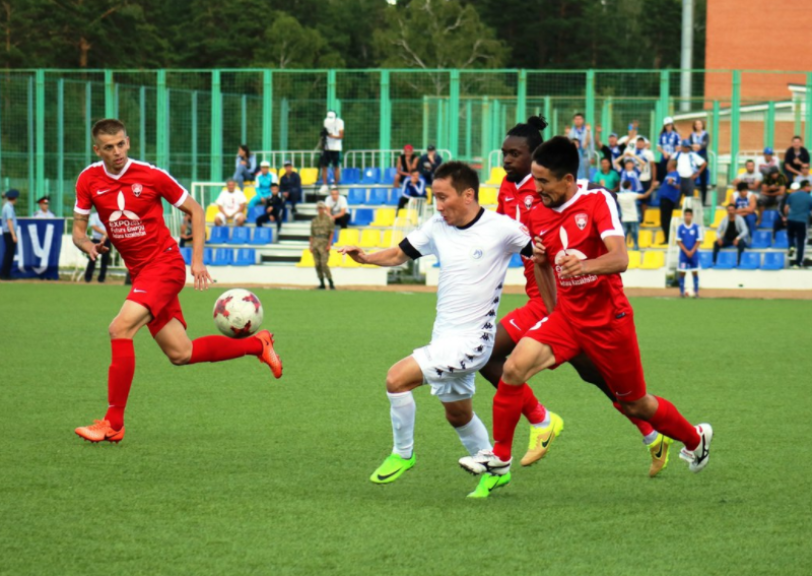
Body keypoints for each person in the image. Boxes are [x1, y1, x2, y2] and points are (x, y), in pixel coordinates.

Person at [458, 136, 713, 485]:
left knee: (636, 404)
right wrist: (544, 267)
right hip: (567, 318)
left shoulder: (596, 201)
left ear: (567, 180)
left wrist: (586, 266)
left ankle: (695, 439)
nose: (537, 188)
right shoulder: (537, 212)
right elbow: (545, 273)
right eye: (535, 179)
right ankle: (500, 457)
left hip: (610, 322)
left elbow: (620, 258)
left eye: (544, 181)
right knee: (514, 368)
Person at [72, 118, 282, 444]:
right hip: (141, 274)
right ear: (96, 149)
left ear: (128, 142)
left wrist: (196, 261)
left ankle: (113, 422)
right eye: (109, 147)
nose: (117, 152)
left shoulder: (151, 175)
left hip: (165, 266)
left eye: (121, 144)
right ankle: (259, 344)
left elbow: (196, 211)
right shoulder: (88, 179)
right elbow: (78, 231)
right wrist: (87, 244)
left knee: (119, 328)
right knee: (180, 352)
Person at [486, 117, 671, 484]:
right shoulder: (509, 192)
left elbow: (597, 235)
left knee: (487, 353)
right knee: (595, 377)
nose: (507, 160)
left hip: (553, 300)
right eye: (505, 153)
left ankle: (542, 421)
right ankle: (650, 433)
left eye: (515, 154)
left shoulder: (553, 192)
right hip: (542, 295)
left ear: (535, 156)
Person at [339, 161, 536, 498]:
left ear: (468, 195)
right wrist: (367, 257)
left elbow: (541, 254)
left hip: (473, 343)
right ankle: (495, 472)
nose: (438, 205)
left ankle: (403, 454)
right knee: (458, 414)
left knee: (396, 379)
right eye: (435, 197)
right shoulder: (436, 226)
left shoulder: (502, 229)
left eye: (443, 197)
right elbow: (400, 254)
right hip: (444, 337)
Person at [617, 180, 653, 249]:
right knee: (635, 236)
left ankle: (623, 249)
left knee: (624, 235)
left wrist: (602, 185)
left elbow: (608, 194)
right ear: (630, 186)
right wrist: (652, 188)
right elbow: (645, 196)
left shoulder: (619, 195)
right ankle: (636, 248)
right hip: (633, 218)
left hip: (625, 219)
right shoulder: (633, 194)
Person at [784, 179, 812, 269]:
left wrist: (786, 216)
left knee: (790, 235)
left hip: (791, 219)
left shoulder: (792, 195)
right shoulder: (809, 198)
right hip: (802, 221)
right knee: (801, 243)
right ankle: (798, 262)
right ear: (806, 187)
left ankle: (791, 246)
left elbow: (786, 208)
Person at [676, 208, 703, 298]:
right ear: (684, 216)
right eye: (686, 215)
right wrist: (686, 251)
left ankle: (696, 292)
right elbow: (679, 241)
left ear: (692, 216)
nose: (687, 217)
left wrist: (692, 251)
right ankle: (681, 292)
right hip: (684, 255)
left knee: (694, 272)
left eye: (689, 215)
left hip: (693, 254)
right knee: (682, 272)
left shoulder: (696, 227)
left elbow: (698, 241)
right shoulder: (680, 228)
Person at [310, 201, 335, 290]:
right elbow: (312, 234)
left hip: (324, 242)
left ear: (324, 209)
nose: (320, 210)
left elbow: (331, 232)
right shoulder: (314, 220)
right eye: (318, 208)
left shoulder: (329, 219)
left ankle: (331, 282)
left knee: (324, 264)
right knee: (317, 264)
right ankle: (322, 283)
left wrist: (329, 244)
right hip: (316, 242)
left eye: (321, 208)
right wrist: (311, 245)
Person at [658, 159, 681, 243]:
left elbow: (678, 186)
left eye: (668, 163)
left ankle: (668, 239)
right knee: (664, 220)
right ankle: (667, 238)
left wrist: (673, 183)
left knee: (666, 220)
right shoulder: (668, 174)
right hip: (664, 199)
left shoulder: (675, 174)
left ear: (671, 165)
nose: (667, 165)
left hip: (668, 200)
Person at [84, 210, 111, 283]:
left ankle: (102, 278)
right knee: (93, 258)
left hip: (106, 240)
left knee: (105, 259)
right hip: (96, 239)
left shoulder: (108, 215)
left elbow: (111, 227)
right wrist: (104, 233)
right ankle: (88, 277)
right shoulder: (94, 215)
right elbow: (94, 226)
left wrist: (105, 235)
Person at [321, 110, 344, 186]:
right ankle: (324, 184)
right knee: (324, 166)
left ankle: (335, 183)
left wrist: (332, 136)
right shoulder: (326, 121)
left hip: (336, 148)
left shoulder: (340, 122)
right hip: (327, 147)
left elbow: (341, 136)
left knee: (336, 166)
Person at [690, 119, 710, 203]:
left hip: (702, 158)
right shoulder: (692, 135)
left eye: (699, 124)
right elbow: (690, 144)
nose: (698, 126)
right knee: (691, 179)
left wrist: (698, 146)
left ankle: (703, 201)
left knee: (703, 180)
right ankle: (690, 199)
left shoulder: (705, 134)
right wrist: (694, 146)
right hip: (694, 158)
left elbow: (705, 144)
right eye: (696, 124)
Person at [1, 189, 19, 280]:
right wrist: (13, 235)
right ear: (14, 198)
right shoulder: (8, 207)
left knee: (10, 253)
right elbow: (9, 221)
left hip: (8, 232)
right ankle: (5, 274)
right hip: (9, 232)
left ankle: (6, 273)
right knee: (9, 253)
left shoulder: (8, 206)